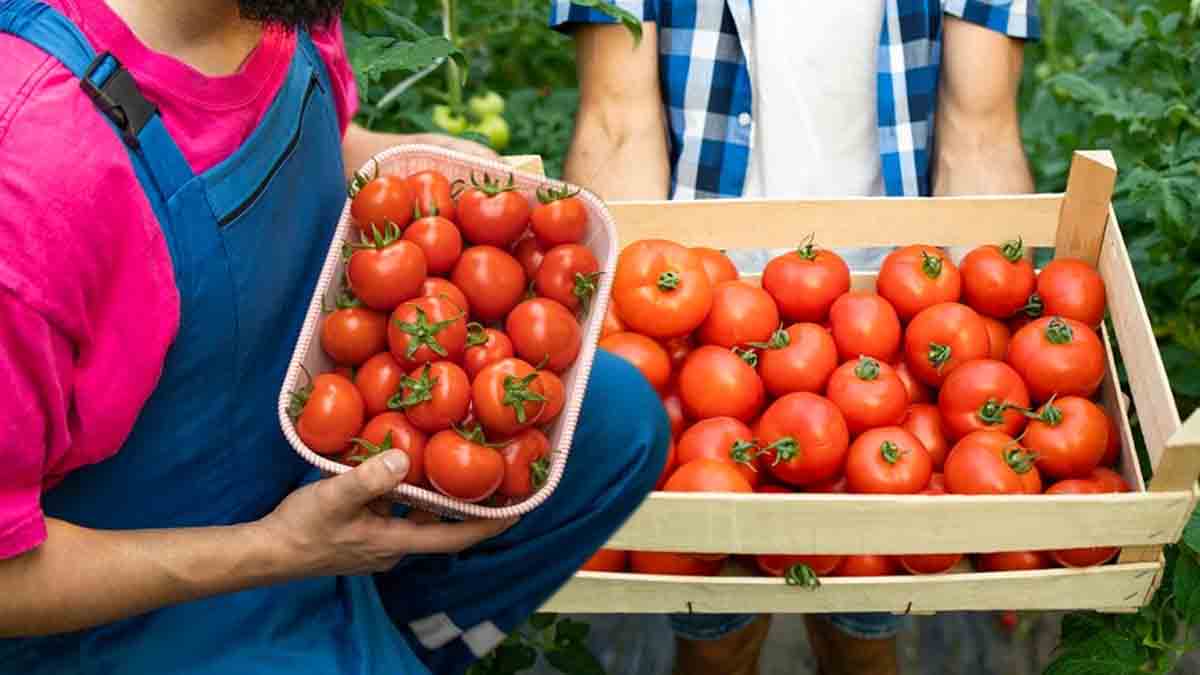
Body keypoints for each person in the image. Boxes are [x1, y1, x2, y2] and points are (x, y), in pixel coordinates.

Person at [0, 1, 669, 674]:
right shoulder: (34, 180)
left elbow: (301, 132)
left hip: (313, 450)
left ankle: (384, 633)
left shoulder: (280, 6)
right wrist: (282, 548)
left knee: (617, 425)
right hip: (136, 617)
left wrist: (379, 162)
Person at [552, 1, 1038, 673]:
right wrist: (622, 337)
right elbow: (616, 125)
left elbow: (978, 133)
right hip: (700, 310)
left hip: (888, 319)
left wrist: (987, 357)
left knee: (863, 630)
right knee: (715, 633)